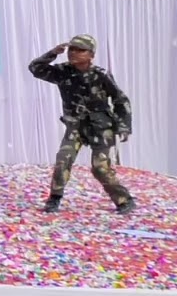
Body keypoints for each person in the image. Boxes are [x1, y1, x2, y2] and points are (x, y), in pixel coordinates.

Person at [29, 35, 136, 214]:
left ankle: (124, 200)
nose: (74, 53)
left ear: (91, 55)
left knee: (100, 168)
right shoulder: (62, 71)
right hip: (76, 126)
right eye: (72, 49)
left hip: (101, 128)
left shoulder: (100, 75)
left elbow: (120, 99)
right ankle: (54, 198)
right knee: (63, 160)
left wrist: (123, 126)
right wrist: (53, 53)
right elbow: (35, 68)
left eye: (80, 50)